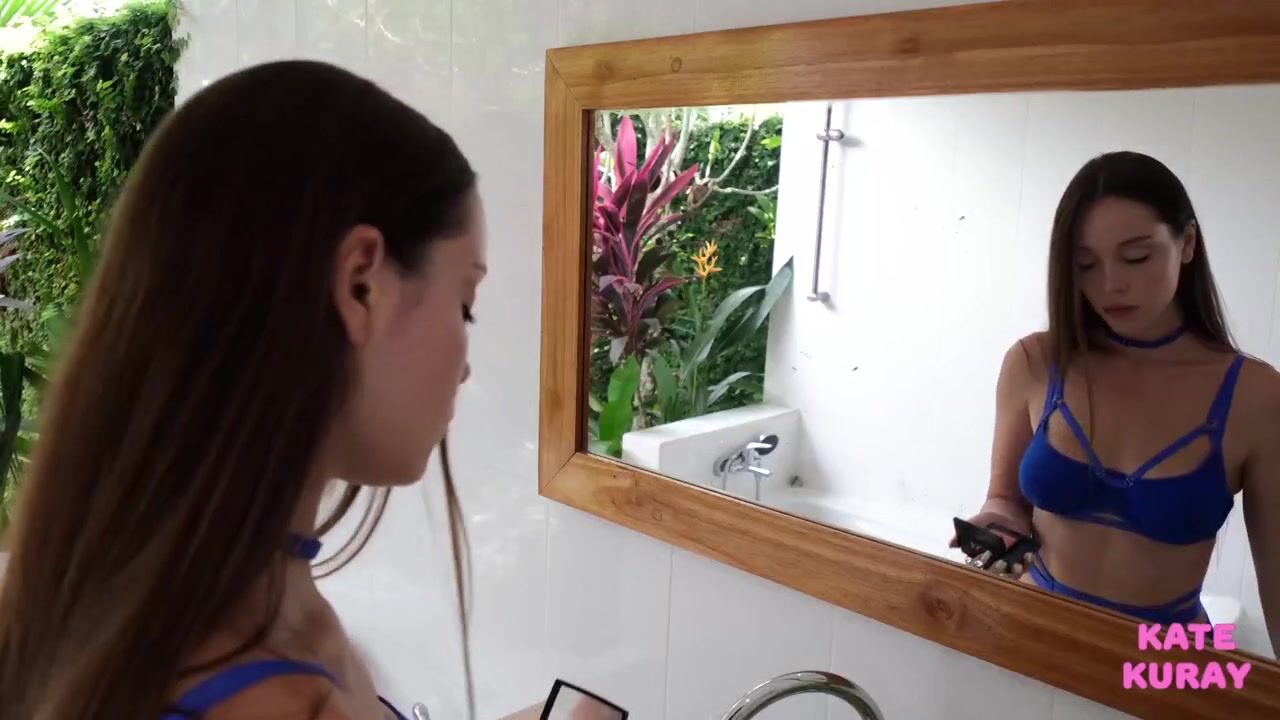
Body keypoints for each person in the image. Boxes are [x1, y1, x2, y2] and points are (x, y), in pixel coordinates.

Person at [0, 60, 485, 719]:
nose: (465, 367)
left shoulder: (102, 599)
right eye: (465, 303)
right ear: (361, 284)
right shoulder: (273, 694)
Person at [957, 151, 1279, 648]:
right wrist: (999, 521)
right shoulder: (1035, 362)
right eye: (1085, 264)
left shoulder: (1255, 396)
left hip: (1165, 658)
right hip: (1029, 634)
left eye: (1136, 257)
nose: (1110, 284)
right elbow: (1004, 499)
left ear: (1187, 243)